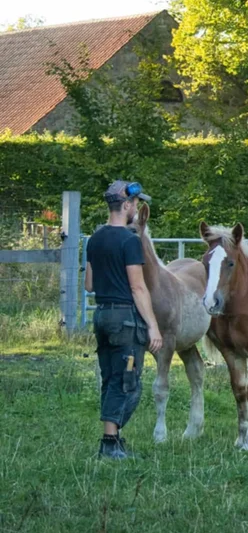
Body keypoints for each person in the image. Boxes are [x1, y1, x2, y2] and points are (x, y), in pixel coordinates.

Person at [84, 180, 162, 459]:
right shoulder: (130, 241)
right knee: (128, 381)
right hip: (125, 321)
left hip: (102, 316)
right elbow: (138, 288)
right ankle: (109, 443)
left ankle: (113, 439)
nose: (137, 209)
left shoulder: (95, 239)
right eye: (136, 204)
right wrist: (153, 326)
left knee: (111, 377)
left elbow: (89, 284)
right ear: (126, 205)